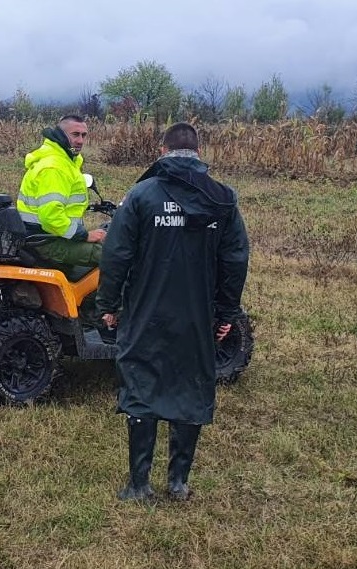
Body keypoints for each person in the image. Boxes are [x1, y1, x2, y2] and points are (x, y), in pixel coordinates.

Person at [96, 122, 250, 501]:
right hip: (198, 314)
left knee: (142, 384)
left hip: (146, 309)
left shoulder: (142, 195)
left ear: (162, 151)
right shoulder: (223, 198)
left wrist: (108, 305)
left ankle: (139, 484)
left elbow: (116, 255)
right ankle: (178, 483)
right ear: (199, 153)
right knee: (192, 386)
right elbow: (235, 260)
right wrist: (226, 313)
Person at [17, 114, 106, 268]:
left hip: (56, 236)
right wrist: (85, 235)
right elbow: (51, 216)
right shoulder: (54, 167)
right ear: (61, 134)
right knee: (114, 253)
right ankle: (109, 293)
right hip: (47, 242)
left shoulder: (66, 161)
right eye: (75, 134)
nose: (80, 141)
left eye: (84, 135)